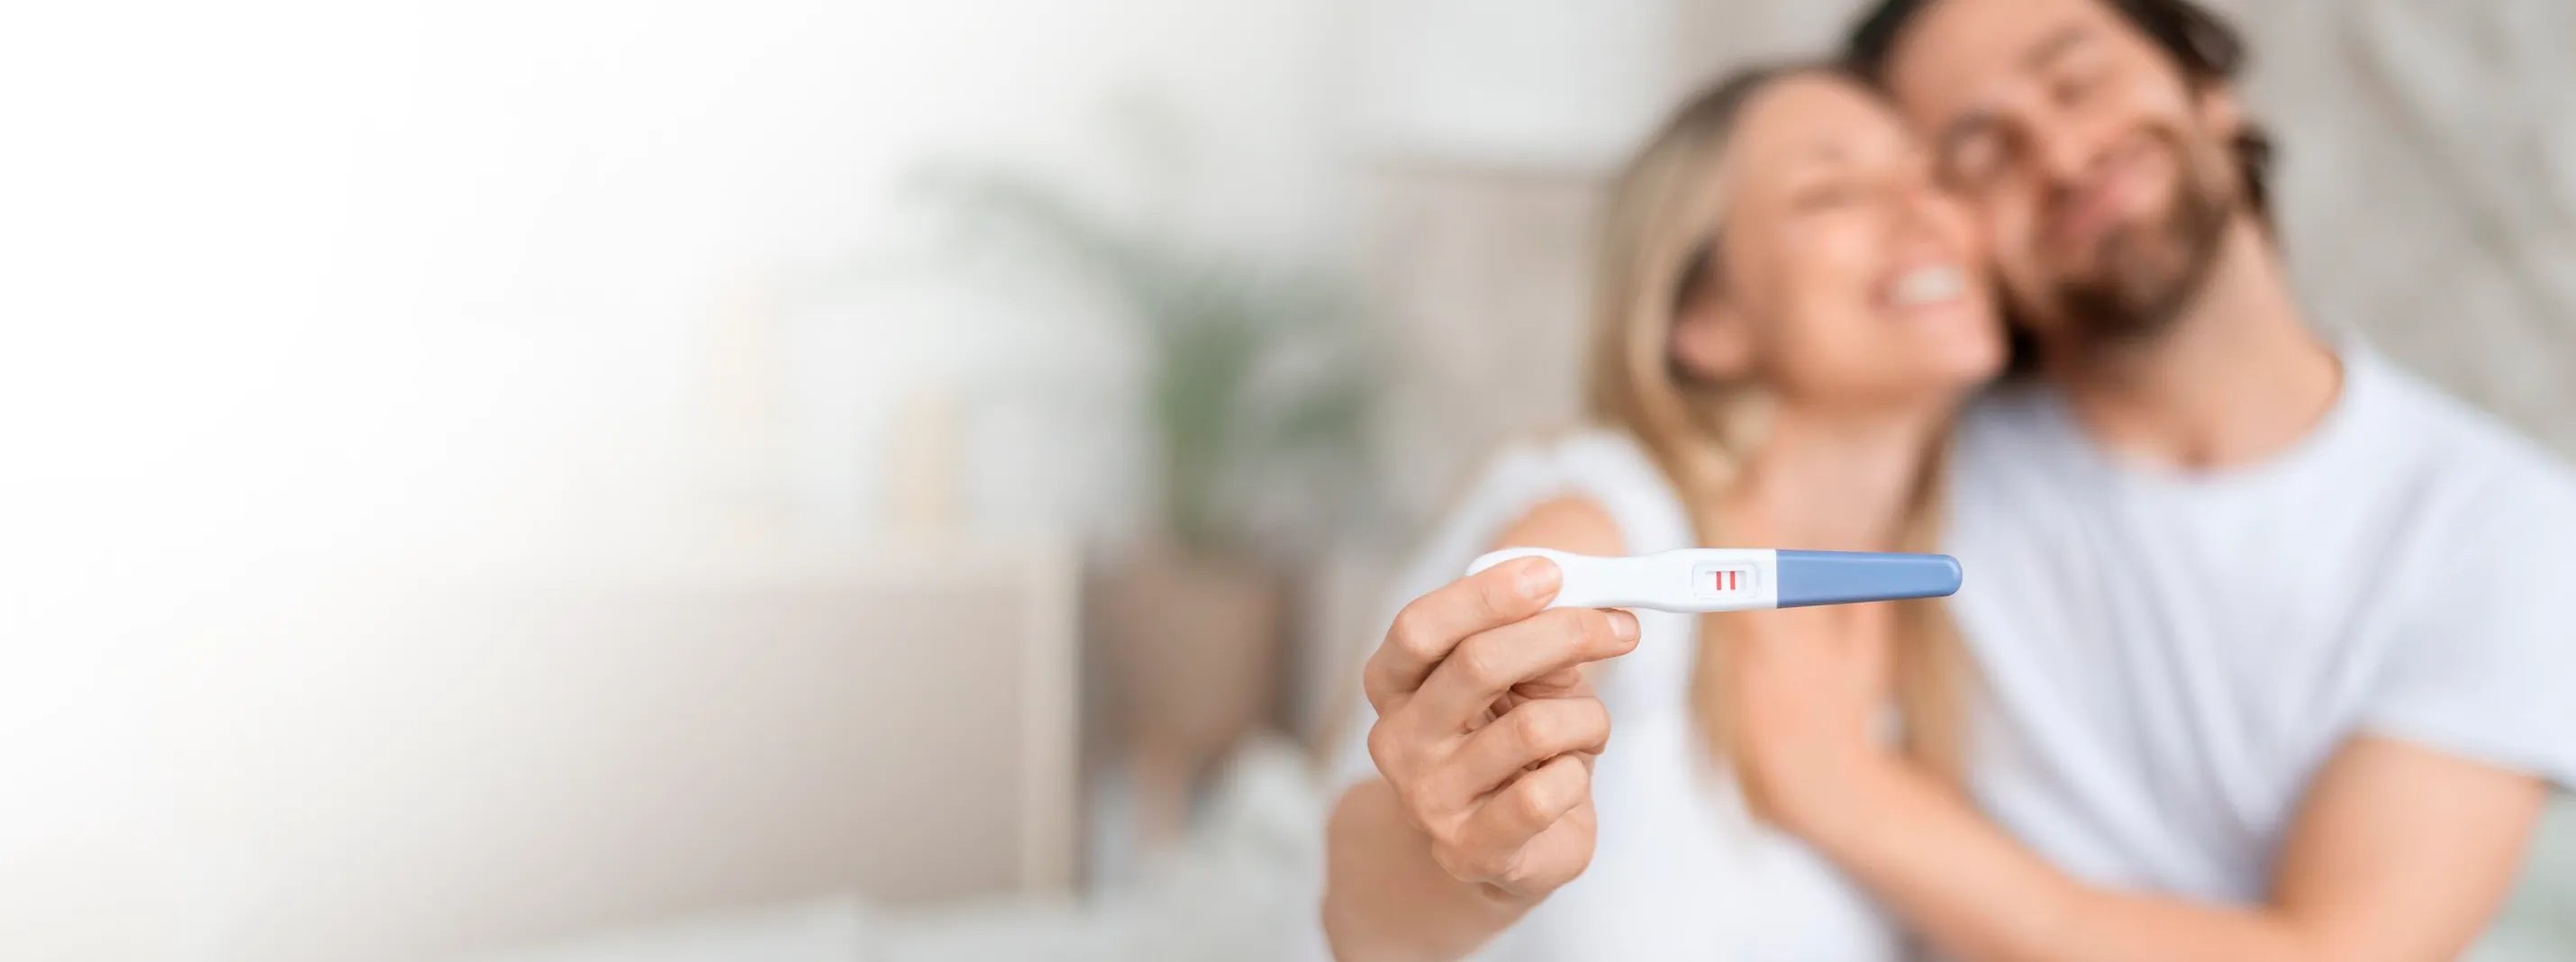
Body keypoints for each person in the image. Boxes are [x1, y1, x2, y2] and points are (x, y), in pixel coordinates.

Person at [1714, 1, 2576, 960]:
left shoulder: (2504, 531)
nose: (2060, 153)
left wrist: (1847, 793)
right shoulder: (1905, 469)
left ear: (2208, 89)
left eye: (2078, 81)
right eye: (1980, 151)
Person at [1320, 63, 2004, 959]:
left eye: (1933, 176)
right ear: (1704, 318)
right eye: (1832, 192)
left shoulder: (1949, 614)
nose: (1927, 213)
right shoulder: (1602, 524)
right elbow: (1366, 903)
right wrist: (1472, 856)